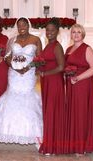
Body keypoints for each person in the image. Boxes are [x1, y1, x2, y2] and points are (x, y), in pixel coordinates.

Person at [0, 17, 43, 146]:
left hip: (28, 74)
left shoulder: (36, 40)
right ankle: (8, 130)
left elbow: (39, 58)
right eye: (19, 25)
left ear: (28, 26)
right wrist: (14, 67)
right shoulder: (13, 40)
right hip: (14, 74)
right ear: (17, 27)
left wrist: (28, 67)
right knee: (11, 95)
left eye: (24, 24)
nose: (22, 27)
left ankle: (30, 132)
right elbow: (7, 57)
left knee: (27, 96)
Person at [64, 24, 93, 156]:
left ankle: (82, 147)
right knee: (73, 113)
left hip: (83, 85)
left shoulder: (87, 49)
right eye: (74, 32)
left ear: (82, 34)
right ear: (71, 35)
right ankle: (73, 144)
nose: (76, 34)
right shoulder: (68, 49)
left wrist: (78, 78)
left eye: (79, 32)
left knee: (81, 114)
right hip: (71, 85)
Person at [37, 19, 66, 155]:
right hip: (47, 82)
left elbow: (61, 67)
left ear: (57, 31)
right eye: (47, 30)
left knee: (52, 112)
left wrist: (44, 72)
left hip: (54, 82)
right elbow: (46, 62)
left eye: (52, 30)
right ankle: (49, 143)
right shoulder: (48, 45)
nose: (49, 32)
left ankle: (53, 146)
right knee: (48, 112)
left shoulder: (57, 47)